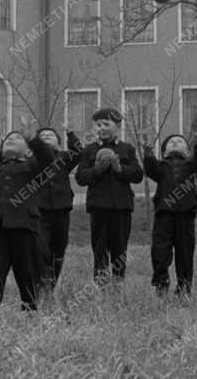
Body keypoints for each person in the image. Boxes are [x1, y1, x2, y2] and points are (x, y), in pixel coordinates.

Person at [0, 126, 54, 310]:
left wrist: (34, 139)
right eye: (8, 139)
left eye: (17, 138)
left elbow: (48, 160)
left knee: (26, 270)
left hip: (24, 225)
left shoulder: (32, 167)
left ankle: (30, 307)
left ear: (28, 150)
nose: (11, 139)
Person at [74, 108, 143, 284]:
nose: (101, 128)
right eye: (98, 125)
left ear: (118, 126)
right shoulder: (89, 150)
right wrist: (97, 170)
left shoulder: (126, 149)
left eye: (106, 124)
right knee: (99, 247)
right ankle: (101, 284)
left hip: (122, 207)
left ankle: (118, 283)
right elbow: (80, 177)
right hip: (98, 207)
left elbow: (137, 175)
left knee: (120, 248)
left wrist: (120, 169)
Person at [143, 128, 197, 296]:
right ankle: (161, 281)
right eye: (171, 142)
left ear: (188, 151)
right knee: (160, 249)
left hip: (186, 213)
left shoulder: (191, 165)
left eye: (179, 141)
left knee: (185, 251)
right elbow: (150, 170)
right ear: (164, 152)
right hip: (164, 213)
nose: (174, 143)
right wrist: (148, 154)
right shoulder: (161, 166)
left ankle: (184, 287)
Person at [33, 126, 82, 294]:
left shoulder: (64, 158)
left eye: (51, 135)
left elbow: (78, 151)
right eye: (43, 135)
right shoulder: (33, 158)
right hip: (39, 208)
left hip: (61, 208)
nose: (46, 137)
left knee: (59, 248)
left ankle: (50, 283)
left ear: (58, 143)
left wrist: (70, 133)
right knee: (41, 247)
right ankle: (43, 279)